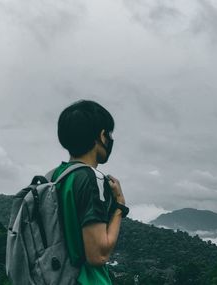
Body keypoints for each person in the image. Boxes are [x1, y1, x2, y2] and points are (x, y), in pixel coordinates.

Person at [51, 100, 128, 284]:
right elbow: (98, 255)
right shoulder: (91, 178)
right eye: (109, 134)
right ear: (102, 136)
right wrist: (119, 206)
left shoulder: (55, 176)